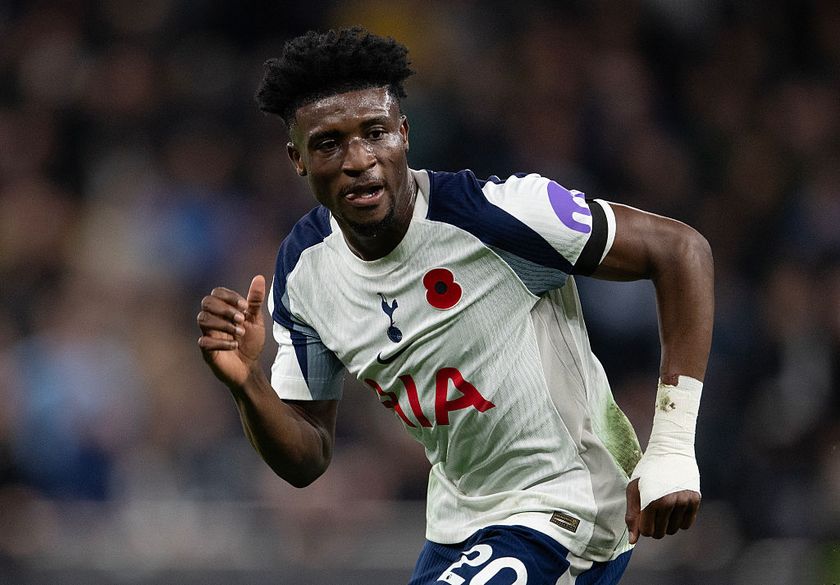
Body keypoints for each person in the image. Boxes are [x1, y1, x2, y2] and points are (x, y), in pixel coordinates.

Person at [197, 27, 714, 584]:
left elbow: (680, 249)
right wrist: (247, 384)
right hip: (459, 528)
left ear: (404, 133)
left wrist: (673, 446)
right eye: (329, 144)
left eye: (376, 133)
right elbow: (308, 455)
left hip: (569, 500)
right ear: (297, 158)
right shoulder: (303, 270)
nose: (359, 160)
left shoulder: (499, 215)